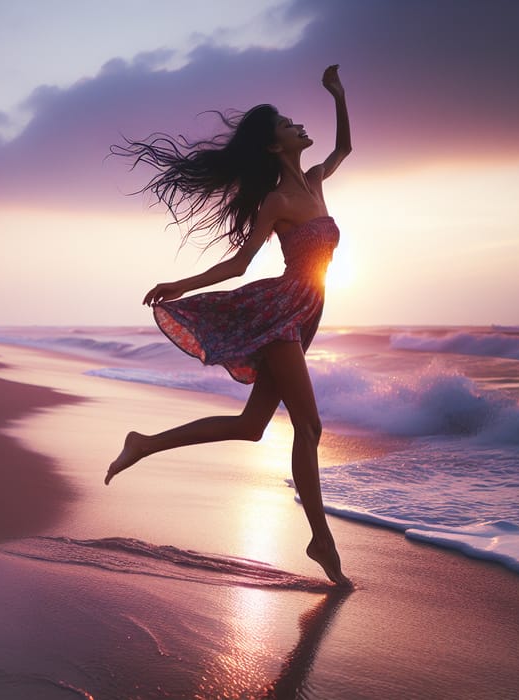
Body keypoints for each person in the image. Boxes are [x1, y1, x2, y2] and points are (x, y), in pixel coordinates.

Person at [106, 65, 352, 586]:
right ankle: (320, 539)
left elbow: (344, 149)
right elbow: (239, 265)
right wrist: (181, 286)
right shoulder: (278, 202)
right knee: (309, 428)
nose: (298, 124)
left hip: (306, 316)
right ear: (271, 146)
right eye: (288, 122)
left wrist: (338, 96)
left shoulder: (313, 182)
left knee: (251, 426)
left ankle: (144, 442)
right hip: (281, 313)